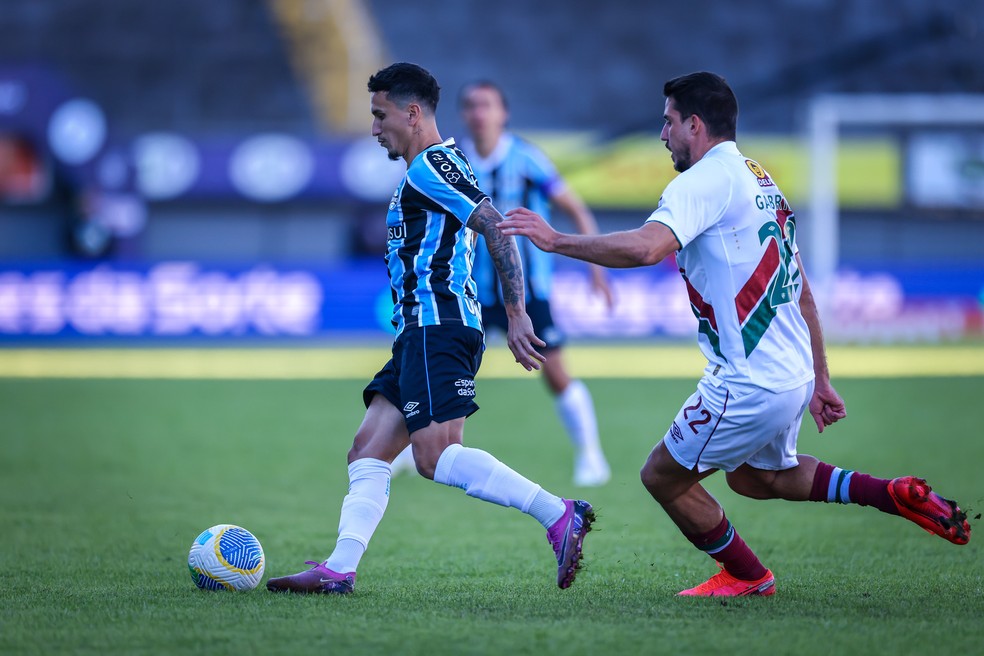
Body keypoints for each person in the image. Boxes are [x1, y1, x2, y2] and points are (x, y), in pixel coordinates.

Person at [500, 71, 971, 597]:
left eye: (668, 122)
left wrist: (555, 240)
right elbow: (802, 290)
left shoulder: (702, 181)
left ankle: (749, 577)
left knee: (661, 476)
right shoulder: (759, 178)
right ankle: (890, 493)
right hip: (789, 374)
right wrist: (820, 378)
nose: (663, 135)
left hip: (747, 380)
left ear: (694, 125)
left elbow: (645, 248)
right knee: (756, 477)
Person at [266, 62, 595, 595]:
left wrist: (515, 312)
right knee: (368, 449)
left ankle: (558, 513)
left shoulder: (432, 167)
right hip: (418, 332)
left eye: (380, 115)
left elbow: (494, 224)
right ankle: (339, 568)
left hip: (436, 329)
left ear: (412, 112)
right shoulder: (431, 166)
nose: (374, 128)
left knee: (434, 456)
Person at [391, 81, 614, 487]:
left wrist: (595, 270)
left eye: (487, 105)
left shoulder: (526, 159)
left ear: (503, 113)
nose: (479, 113)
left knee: (555, 373)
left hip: (526, 291)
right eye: (471, 106)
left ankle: (591, 455)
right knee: (440, 368)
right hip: (471, 290)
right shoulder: (455, 160)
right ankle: (416, 445)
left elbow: (574, 207)